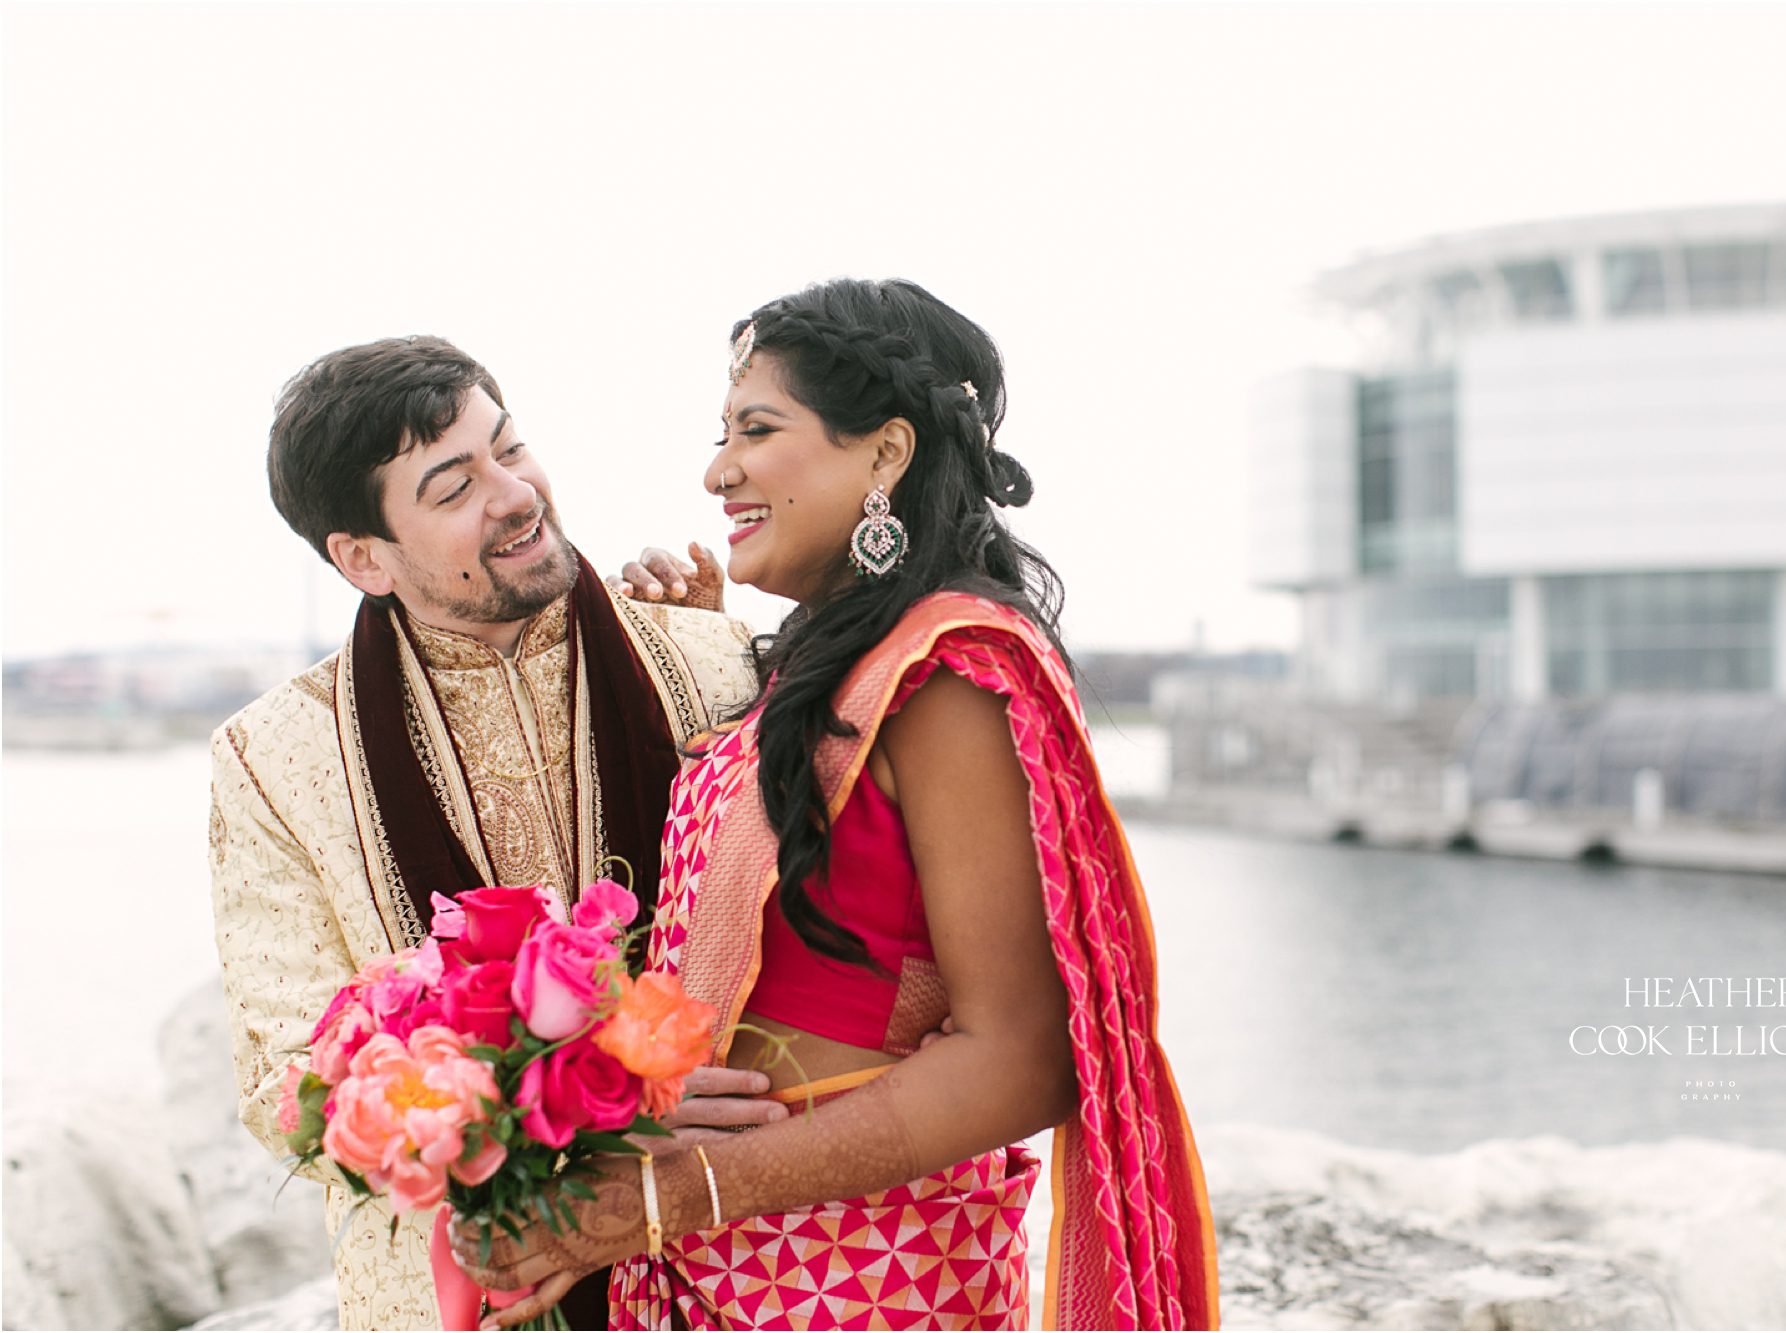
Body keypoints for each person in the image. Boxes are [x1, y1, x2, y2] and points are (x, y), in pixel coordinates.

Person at [452, 281, 1219, 1330]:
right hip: (714, 1262)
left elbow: (1023, 1057)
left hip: (863, 1277)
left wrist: (678, 1194)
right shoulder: (832, 670)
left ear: (885, 453)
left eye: (756, 430)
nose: (717, 470)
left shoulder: (946, 675)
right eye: (720, 435)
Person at [209, 336, 780, 1330]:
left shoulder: (716, 661)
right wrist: (585, 1129)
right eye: (451, 487)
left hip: (728, 1256)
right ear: (362, 557)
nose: (514, 493)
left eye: (509, 449)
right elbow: (286, 1075)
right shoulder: (272, 759)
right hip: (460, 1292)